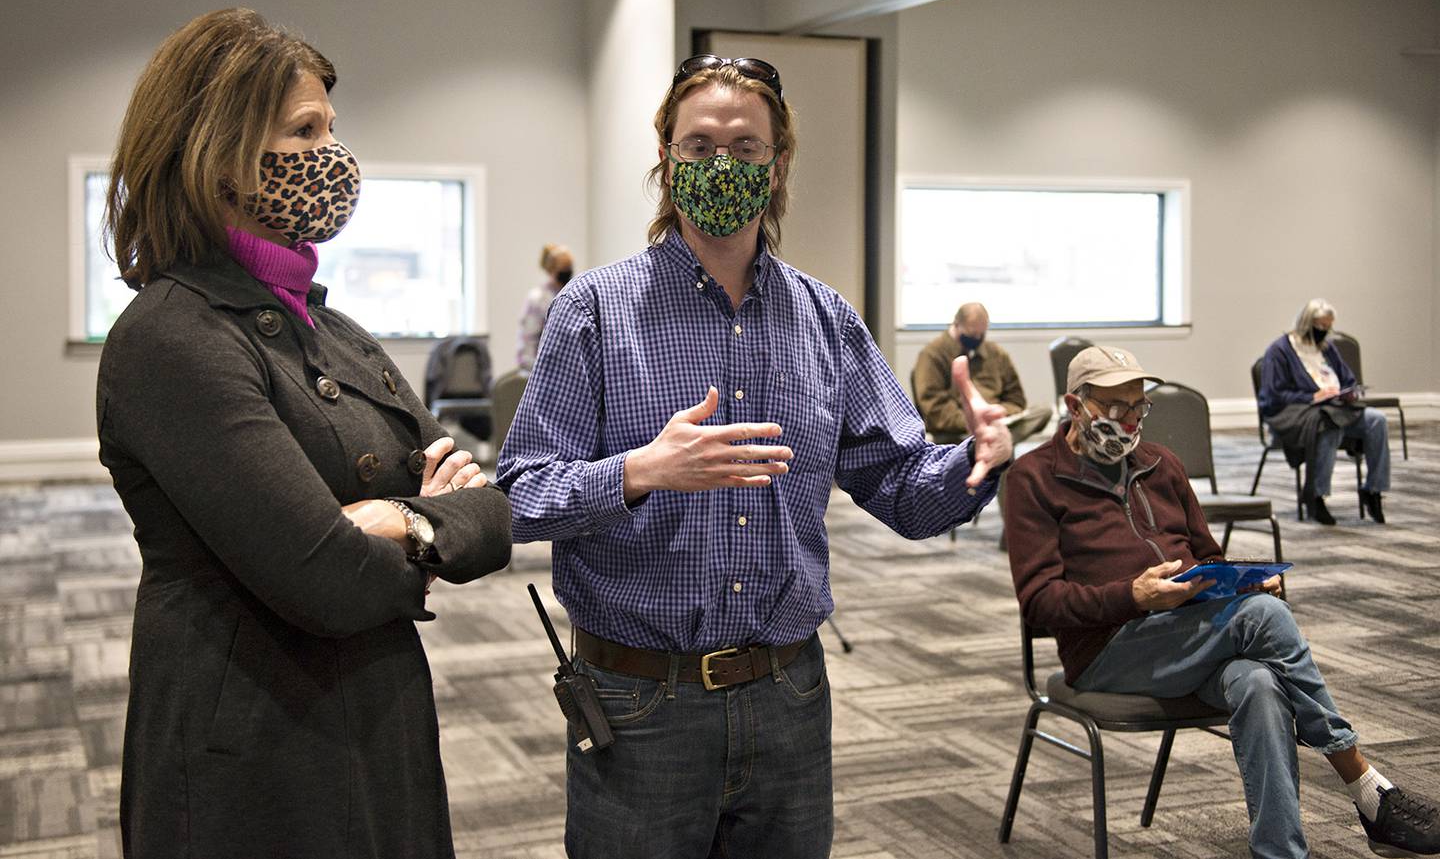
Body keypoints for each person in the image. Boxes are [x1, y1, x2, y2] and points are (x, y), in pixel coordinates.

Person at [496, 54, 1014, 859]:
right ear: (666, 163)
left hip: (789, 697)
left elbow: (903, 486)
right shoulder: (594, 312)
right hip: (641, 702)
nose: (720, 164)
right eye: (698, 145)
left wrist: (976, 461)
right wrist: (640, 471)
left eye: (744, 146)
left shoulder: (825, 318)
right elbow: (520, 493)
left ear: (777, 166)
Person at [95, 8, 512, 859]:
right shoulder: (172, 336)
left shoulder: (334, 328)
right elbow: (328, 579)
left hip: (378, 718)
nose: (333, 154)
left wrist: (393, 519)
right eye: (304, 129)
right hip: (252, 751)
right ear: (217, 153)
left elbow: (493, 511)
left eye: (332, 126)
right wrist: (420, 509)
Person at [1004, 345, 1437, 859]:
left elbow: (1207, 555)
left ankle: (1281, 853)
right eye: (1115, 408)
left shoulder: (1160, 465)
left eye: (1138, 407)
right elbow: (1040, 603)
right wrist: (1133, 596)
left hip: (1193, 637)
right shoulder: (1033, 479)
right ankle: (1365, 786)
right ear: (1076, 407)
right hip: (1106, 654)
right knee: (1263, 618)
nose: (1129, 420)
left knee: (1257, 681)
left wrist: (1240, 583)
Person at [1259, 298, 1390, 525]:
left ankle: (1373, 489)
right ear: (1306, 323)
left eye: (1327, 327)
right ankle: (1316, 496)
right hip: (1296, 413)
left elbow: (1348, 378)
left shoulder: (1328, 349)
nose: (1324, 332)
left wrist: (1348, 393)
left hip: (1336, 407)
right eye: (1319, 327)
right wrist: (1311, 397)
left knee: (1377, 420)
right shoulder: (1279, 351)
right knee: (1329, 425)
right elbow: (1273, 395)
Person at [913, 301, 1051, 444]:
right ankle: (989, 442)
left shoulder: (996, 354)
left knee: (1043, 411)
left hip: (998, 422)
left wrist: (1000, 413)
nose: (977, 339)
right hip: (959, 431)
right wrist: (974, 421)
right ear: (956, 325)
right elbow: (935, 409)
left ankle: (991, 441)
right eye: (972, 334)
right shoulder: (932, 355)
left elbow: (1016, 399)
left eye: (982, 334)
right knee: (988, 437)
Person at [515, 242, 574, 373]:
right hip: (542, 370)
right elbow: (528, 343)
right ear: (551, 270)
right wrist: (539, 370)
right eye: (563, 270)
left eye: (569, 268)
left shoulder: (574, 294)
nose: (567, 273)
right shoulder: (538, 299)